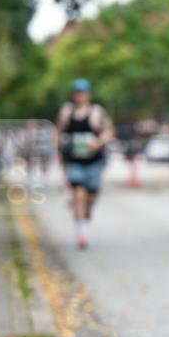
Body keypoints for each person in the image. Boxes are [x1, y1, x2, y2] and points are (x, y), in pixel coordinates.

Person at [56, 78, 114, 249]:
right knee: (78, 195)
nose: (79, 96)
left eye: (82, 93)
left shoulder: (97, 112)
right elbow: (58, 132)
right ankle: (81, 234)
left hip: (94, 161)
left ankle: (87, 212)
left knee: (91, 198)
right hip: (75, 161)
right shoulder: (67, 112)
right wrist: (60, 151)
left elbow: (109, 131)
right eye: (77, 93)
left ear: (88, 95)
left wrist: (99, 142)